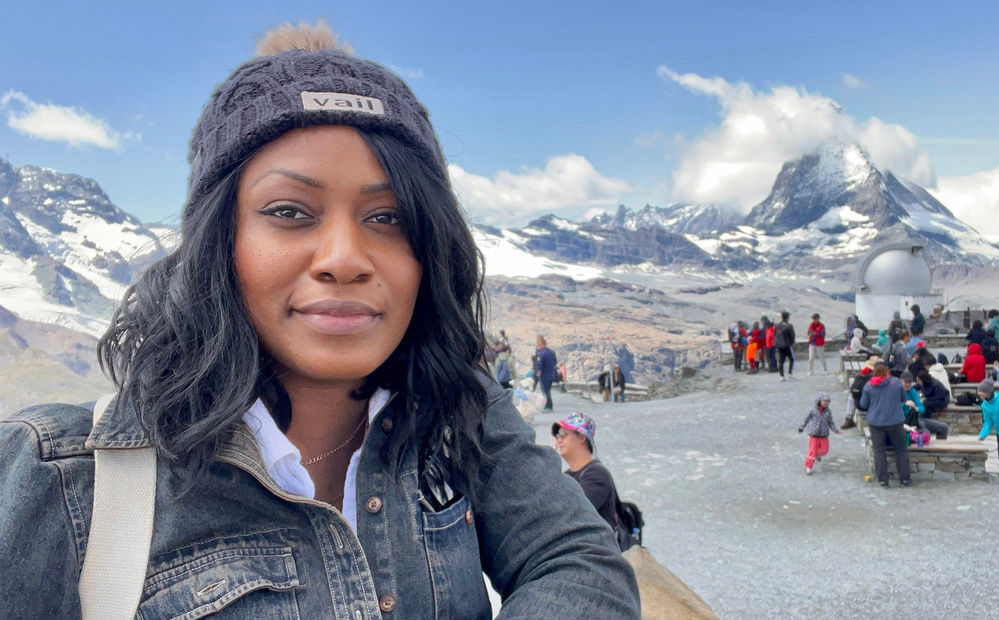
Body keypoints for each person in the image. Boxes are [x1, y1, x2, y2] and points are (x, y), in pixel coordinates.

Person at [0, 23, 639, 618]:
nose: (343, 260)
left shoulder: (459, 412)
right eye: (289, 211)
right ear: (219, 242)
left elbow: (579, 562)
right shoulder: (51, 476)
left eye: (387, 218)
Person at [551, 413, 622, 533]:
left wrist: (551, 461)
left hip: (596, 549)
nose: (559, 440)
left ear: (581, 437)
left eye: (564, 434)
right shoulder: (566, 475)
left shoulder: (596, 475)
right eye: (558, 436)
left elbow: (570, 513)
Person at [860, 363, 912, 487]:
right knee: (901, 449)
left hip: (876, 422)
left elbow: (863, 404)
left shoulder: (868, 386)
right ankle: (904, 478)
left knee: (879, 451)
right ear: (887, 370)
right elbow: (903, 399)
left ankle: (883, 480)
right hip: (895, 421)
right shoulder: (896, 382)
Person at [798, 391, 841, 474]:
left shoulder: (828, 411)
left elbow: (830, 422)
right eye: (824, 401)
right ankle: (808, 466)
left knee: (825, 450)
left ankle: (817, 455)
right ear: (819, 401)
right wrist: (801, 427)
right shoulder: (812, 410)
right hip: (813, 434)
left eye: (828, 401)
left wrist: (835, 430)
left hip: (823, 434)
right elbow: (805, 419)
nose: (826, 403)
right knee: (812, 451)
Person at [901, 371, 949, 440]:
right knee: (926, 434)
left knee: (943, 427)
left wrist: (917, 408)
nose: (908, 384)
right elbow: (892, 407)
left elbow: (921, 408)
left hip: (917, 419)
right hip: (905, 422)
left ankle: (939, 450)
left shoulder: (912, 391)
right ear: (901, 381)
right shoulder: (897, 392)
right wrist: (905, 404)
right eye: (905, 382)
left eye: (910, 382)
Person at [536, 335, 558, 411]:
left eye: (539, 345)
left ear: (542, 344)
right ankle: (549, 406)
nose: (538, 346)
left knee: (546, 391)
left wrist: (538, 373)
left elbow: (540, 365)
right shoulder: (552, 352)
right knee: (548, 390)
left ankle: (548, 406)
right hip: (551, 374)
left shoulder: (541, 354)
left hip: (544, 375)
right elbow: (555, 362)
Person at [774, 311, 796, 381]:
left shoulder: (777, 325)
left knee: (781, 361)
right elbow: (792, 335)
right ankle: (790, 373)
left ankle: (781, 376)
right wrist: (792, 343)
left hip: (780, 346)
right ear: (788, 317)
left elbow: (774, 335)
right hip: (787, 345)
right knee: (791, 359)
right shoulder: (789, 326)